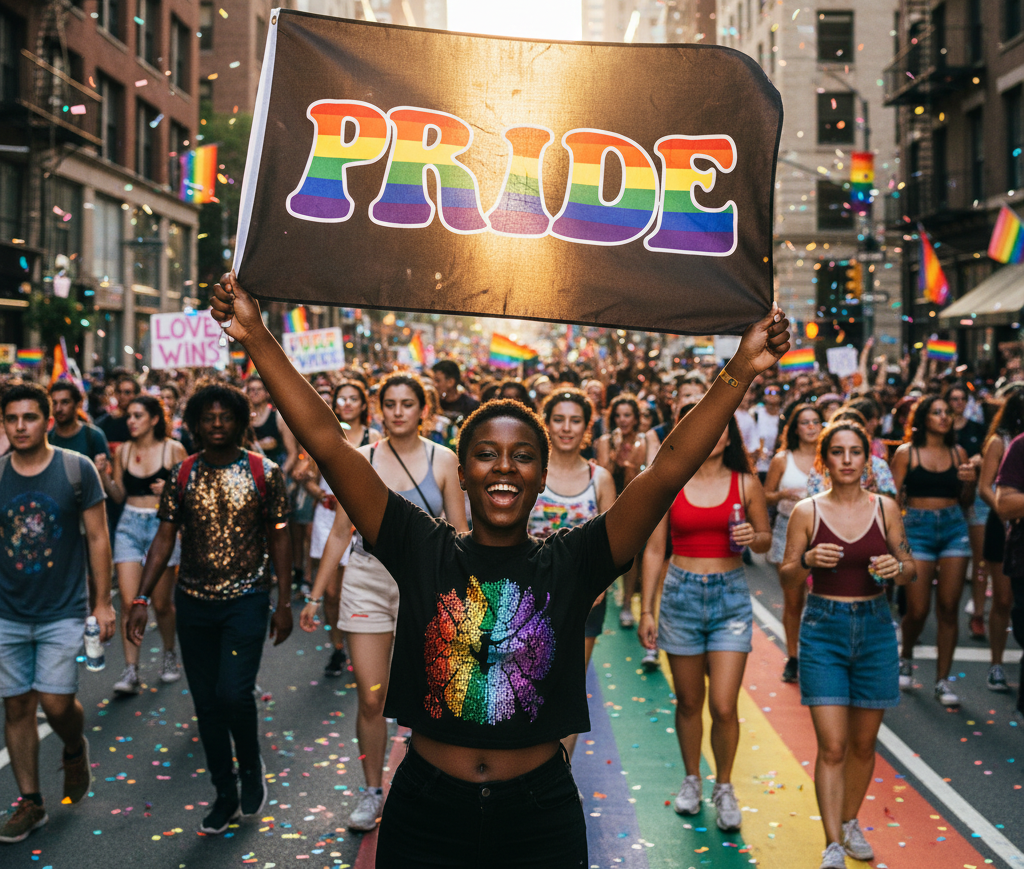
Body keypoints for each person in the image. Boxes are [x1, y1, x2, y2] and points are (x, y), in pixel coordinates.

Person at [211, 270, 789, 869]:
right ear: (461, 472)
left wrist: (742, 368)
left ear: (542, 477)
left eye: (522, 457)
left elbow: (667, 469)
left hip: (538, 814)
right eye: (485, 454)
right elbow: (330, 446)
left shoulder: (575, 559)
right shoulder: (419, 546)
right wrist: (255, 336)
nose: (503, 468)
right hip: (426, 809)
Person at [300, 373, 466, 833]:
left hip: (424, 587)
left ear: (423, 410)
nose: (397, 411)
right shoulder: (361, 459)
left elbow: (459, 537)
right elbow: (339, 532)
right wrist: (316, 594)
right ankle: (372, 790)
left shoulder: (444, 460)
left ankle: (430, 787)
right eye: (389, 403)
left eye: (407, 404)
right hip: (367, 580)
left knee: (432, 695)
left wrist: (465, 599)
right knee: (372, 697)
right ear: (380, 409)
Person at [125, 383, 292, 834]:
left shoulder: (264, 471)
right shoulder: (182, 474)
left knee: (234, 693)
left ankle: (251, 764)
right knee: (207, 703)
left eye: (226, 417)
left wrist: (284, 602)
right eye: (208, 418)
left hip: (248, 600)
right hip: (193, 604)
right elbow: (164, 538)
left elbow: (280, 534)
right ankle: (225, 793)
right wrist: (141, 597)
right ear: (196, 425)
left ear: (241, 422)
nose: (217, 424)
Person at [780, 419, 915, 869]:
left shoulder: (886, 508)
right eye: (837, 452)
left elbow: (911, 566)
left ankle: (852, 820)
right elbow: (786, 575)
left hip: (875, 627)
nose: (846, 461)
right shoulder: (807, 512)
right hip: (823, 628)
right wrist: (806, 559)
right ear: (825, 459)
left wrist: (899, 568)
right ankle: (833, 842)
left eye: (854, 452)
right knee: (833, 745)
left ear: (866, 459)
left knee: (863, 743)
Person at [639, 407, 770, 833]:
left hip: (730, 597)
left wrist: (755, 537)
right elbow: (655, 549)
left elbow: (767, 540)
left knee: (724, 704)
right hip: (680, 596)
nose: (710, 434)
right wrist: (646, 608)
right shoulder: (671, 482)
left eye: (717, 426)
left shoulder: (746, 482)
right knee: (690, 701)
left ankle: (725, 786)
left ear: (729, 436)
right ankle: (692, 779)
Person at [0, 384, 114, 843]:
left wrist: (103, 603)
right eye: (12, 419)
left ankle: (73, 746)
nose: (21, 426)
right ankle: (32, 801)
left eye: (30, 417)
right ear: (4, 424)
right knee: (18, 705)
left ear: (48, 420)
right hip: (7, 611)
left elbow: (98, 537)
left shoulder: (76, 469)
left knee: (56, 702)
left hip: (63, 610)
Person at [528, 388, 615, 752]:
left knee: (567, 688)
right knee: (527, 687)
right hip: (528, 596)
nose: (566, 428)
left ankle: (559, 777)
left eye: (575, 420)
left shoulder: (601, 478)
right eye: (558, 419)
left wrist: (600, 587)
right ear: (546, 424)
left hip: (584, 599)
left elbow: (614, 543)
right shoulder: (530, 469)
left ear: (586, 427)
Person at [891, 395, 976, 706]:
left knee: (950, 606)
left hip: (954, 527)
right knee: (917, 609)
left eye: (947, 413)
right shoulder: (906, 454)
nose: (944, 417)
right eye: (936, 412)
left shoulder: (959, 452)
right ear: (923, 418)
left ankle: (943, 680)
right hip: (917, 529)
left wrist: (969, 482)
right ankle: (906, 654)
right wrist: (896, 538)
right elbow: (892, 497)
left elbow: (966, 501)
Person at [99, 395, 187, 694]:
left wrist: (171, 490)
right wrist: (102, 475)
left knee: (161, 604)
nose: (131, 421)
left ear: (153, 419)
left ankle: (168, 654)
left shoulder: (173, 449)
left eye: (137, 415)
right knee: (128, 602)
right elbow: (119, 495)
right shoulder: (123, 451)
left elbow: (189, 495)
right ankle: (131, 669)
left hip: (162, 527)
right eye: (129, 416)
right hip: (129, 526)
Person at [306, 380, 382, 677]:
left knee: (358, 587)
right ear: (333, 404)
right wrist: (319, 493)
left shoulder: (373, 437)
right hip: (329, 520)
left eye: (353, 399)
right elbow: (310, 478)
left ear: (363, 405)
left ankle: (360, 644)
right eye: (342, 399)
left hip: (361, 519)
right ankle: (337, 648)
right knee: (332, 592)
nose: (347, 404)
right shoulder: (321, 434)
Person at [764, 402, 822, 683]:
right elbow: (766, 495)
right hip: (788, 531)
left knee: (822, 599)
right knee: (793, 600)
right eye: (805, 422)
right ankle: (793, 656)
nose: (811, 427)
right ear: (795, 428)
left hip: (823, 531)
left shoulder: (830, 457)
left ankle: (816, 654)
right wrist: (783, 494)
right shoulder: (782, 459)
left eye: (816, 422)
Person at [976, 386, 1024, 693]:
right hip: (1003, 525)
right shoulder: (1002, 442)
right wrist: (1007, 515)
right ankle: (996, 662)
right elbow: (986, 487)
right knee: (1004, 599)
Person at [597, 394, 654, 628]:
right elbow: (603, 473)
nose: (622, 420)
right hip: (608, 502)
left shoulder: (644, 442)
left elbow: (641, 475)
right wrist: (615, 452)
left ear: (636, 418)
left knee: (632, 553)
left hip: (632, 500)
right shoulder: (605, 441)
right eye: (618, 415)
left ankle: (628, 602)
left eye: (627, 415)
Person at [245, 375, 300, 588]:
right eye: (251, 390)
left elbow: (292, 453)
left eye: (259, 389)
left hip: (274, 480)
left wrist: (278, 474)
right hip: (250, 481)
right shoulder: (243, 419)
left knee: (278, 527)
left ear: (267, 393)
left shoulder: (278, 418)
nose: (254, 393)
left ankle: (282, 570)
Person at [947, 382, 989, 641]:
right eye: (953, 398)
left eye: (962, 398)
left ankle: (978, 613)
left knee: (980, 558)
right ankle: (946, 610)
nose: (958, 403)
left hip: (973, 501)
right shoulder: (940, 430)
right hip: (946, 502)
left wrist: (978, 460)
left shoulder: (977, 430)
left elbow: (989, 458)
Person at [48, 381, 110, 468]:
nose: (58, 409)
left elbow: (105, 477)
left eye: (65, 402)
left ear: (78, 404)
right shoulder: (47, 439)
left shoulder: (94, 436)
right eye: (54, 403)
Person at [96, 374, 140, 453]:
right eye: (119, 392)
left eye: (127, 392)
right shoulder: (105, 421)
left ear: (136, 395)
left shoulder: (143, 421)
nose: (122, 396)